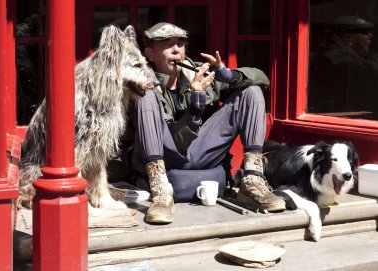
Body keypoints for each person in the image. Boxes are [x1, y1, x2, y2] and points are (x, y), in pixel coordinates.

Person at [129, 22, 285, 224]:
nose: (176, 49)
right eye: (167, 44)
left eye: (180, 43)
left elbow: (262, 78)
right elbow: (178, 144)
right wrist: (196, 105)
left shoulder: (197, 72)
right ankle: (160, 190)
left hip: (202, 151)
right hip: (166, 153)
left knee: (251, 91)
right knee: (145, 95)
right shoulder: (141, 80)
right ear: (150, 54)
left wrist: (227, 74)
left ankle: (252, 179)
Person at [309, 16, 378, 115]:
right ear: (348, 37)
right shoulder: (334, 56)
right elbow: (371, 68)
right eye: (365, 32)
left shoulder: (342, 53)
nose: (370, 36)